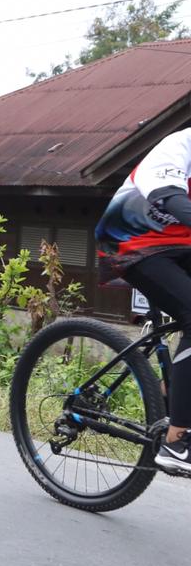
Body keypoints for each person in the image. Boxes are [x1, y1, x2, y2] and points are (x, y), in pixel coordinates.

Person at [96, 127, 191, 473]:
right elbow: (168, 195)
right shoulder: (180, 145)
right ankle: (177, 441)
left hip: (183, 247)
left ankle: (174, 395)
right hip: (133, 243)